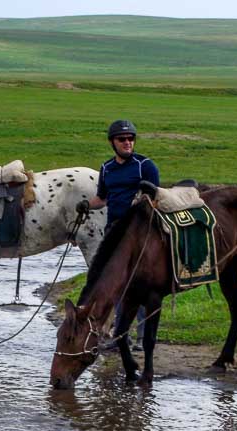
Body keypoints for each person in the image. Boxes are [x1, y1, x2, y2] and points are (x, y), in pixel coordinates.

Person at [76, 119, 160, 352]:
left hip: (140, 232)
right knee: (118, 283)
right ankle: (121, 335)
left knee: (139, 283)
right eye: (122, 139)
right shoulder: (107, 169)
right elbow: (102, 198)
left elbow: (156, 198)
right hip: (114, 231)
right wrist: (85, 204)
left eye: (131, 138)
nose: (127, 143)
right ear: (112, 142)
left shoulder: (145, 166)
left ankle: (142, 337)